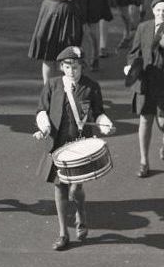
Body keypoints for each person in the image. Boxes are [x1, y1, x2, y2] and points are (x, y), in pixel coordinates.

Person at [34, 46, 113, 250]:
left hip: (82, 144)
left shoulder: (91, 87)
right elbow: (42, 110)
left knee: (77, 187)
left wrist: (105, 124)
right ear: (61, 67)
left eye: (76, 67)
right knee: (60, 186)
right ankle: (63, 233)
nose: (72, 71)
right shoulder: (52, 85)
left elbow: (98, 113)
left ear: (82, 67)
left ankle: (81, 213)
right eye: (68, 67)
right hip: (58, 145)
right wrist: (43, 128)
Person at [125, 0, 164, 178]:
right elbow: (134, 52)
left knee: (163, 122)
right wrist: (130, 66)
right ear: (153, 10)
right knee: (145, 120)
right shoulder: (144, 27)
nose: (161, 13)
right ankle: (144, 161)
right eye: (158, 10)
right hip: (145, 80)